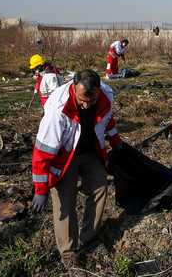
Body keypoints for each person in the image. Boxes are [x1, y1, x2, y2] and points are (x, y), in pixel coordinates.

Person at [30, 69, 123, 269]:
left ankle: (88, 238)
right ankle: (68, 253)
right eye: (82, 100)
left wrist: (115, 140)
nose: (87, 105)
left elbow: (108, 119)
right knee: (65, 201)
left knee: (100, 190)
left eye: (91, 100)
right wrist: (40, 189)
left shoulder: (106, 95)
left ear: (98, 91)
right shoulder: (58, 108)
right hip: (64, 155)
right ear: (73, 88)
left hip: (90, 150)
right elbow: (42, 152)